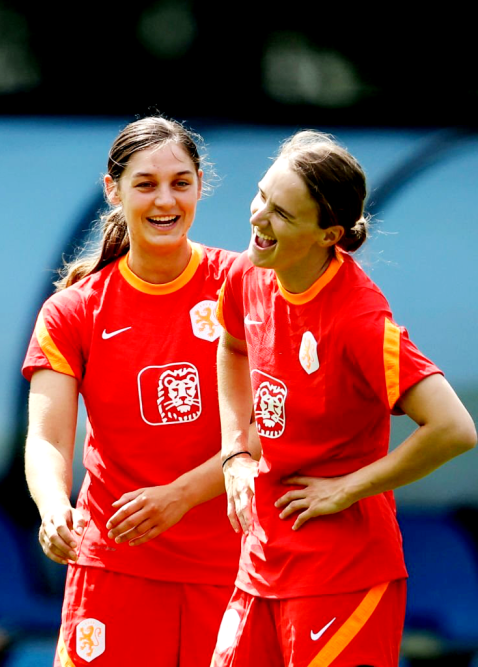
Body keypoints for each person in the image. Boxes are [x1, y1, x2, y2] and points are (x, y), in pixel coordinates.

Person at [212, 129, 477, 667]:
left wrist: (347, 489)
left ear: (328, 233)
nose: (258, 217)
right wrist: (236, 451)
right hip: (262, 558)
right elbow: (233, 347)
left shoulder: (358, 318)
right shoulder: (248, 273)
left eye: (282, 213)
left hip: (344, 572)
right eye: (261, 195)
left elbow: (454, 428)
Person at [22, 116, 256, 667]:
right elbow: (47, 439)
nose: (164, 200)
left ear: (200, 185)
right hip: (113, 567)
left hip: (229, 566)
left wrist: (181, 494)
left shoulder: (244, 284)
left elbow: (265, 428)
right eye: (145, 183)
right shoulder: (74, 309)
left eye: (180, 182)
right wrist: (54, 507)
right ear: (114, 190)